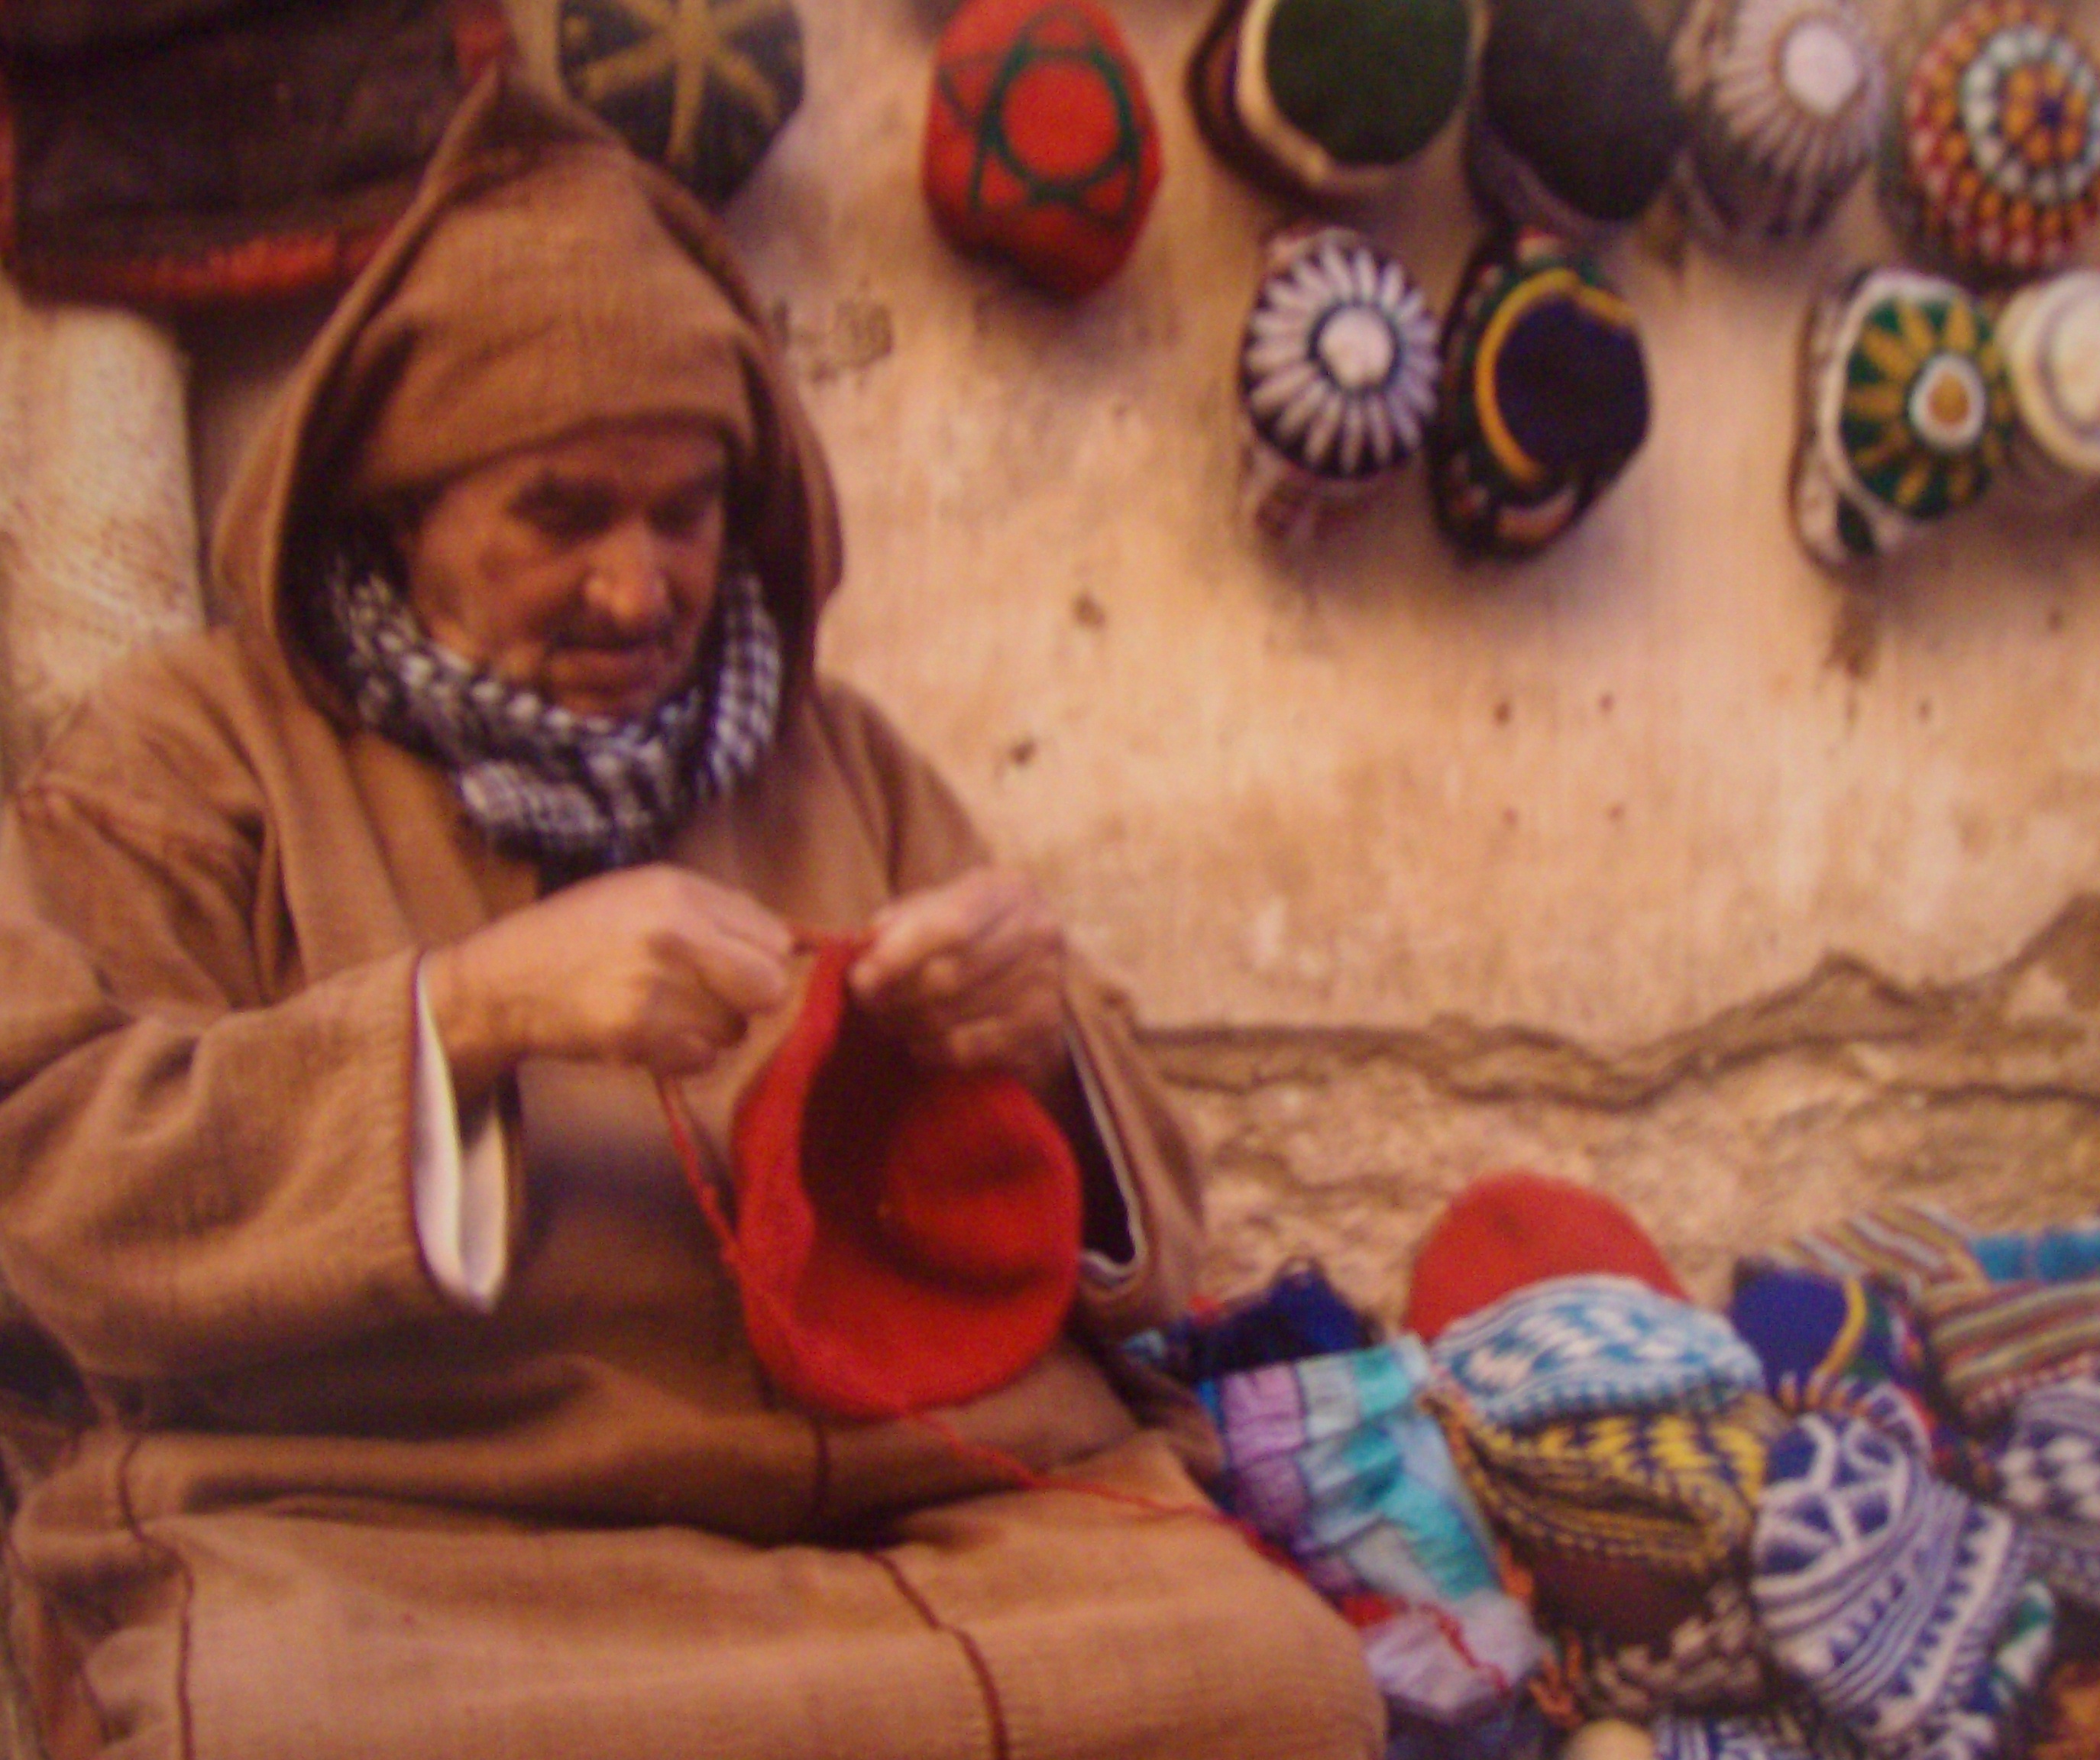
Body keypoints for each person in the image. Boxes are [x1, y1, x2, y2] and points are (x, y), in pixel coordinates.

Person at [0, 70, 1383, 1760]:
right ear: (401, 506)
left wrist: (1036, 1055)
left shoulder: (841, 760)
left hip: (905, 1517)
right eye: (561, 513)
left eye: (685, 510)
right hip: (404, 1538)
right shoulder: (188, 756)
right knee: (273, 1732)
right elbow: (49, 1183)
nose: (639, 587)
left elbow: (1136, 1248)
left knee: (1272, 1683)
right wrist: (465, 1015)